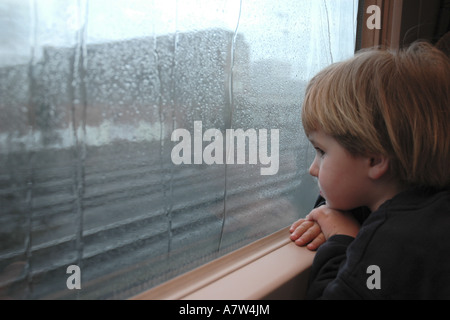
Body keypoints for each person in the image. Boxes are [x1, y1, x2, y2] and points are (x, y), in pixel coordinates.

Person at [289, 41, 450, 299]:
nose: (312, 169)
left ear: (375, 160)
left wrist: (342, 240)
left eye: (321, 152)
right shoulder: (432, 210)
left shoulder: (391, 242)